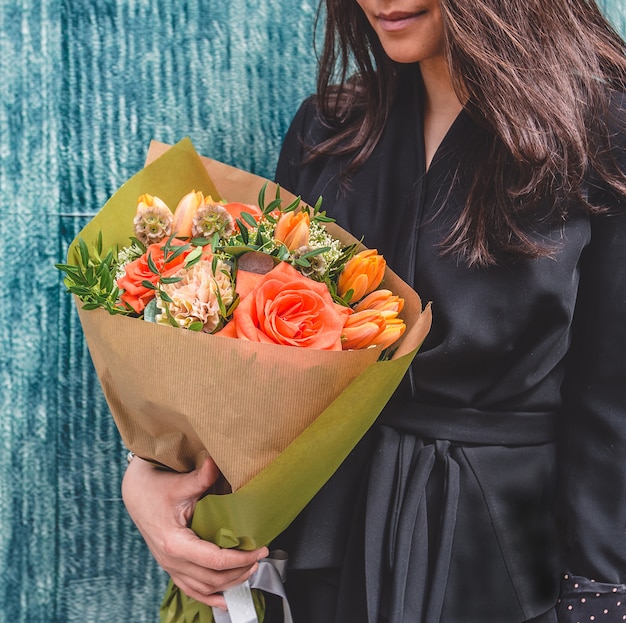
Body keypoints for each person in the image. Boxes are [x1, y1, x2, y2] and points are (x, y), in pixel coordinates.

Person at [121, 0, 626, 621]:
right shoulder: (328, 128)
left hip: (511, 564)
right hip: (330, 547)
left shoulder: (603, 131)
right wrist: (149, 479)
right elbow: (261, 367)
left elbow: (612, 405)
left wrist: (601, 597)